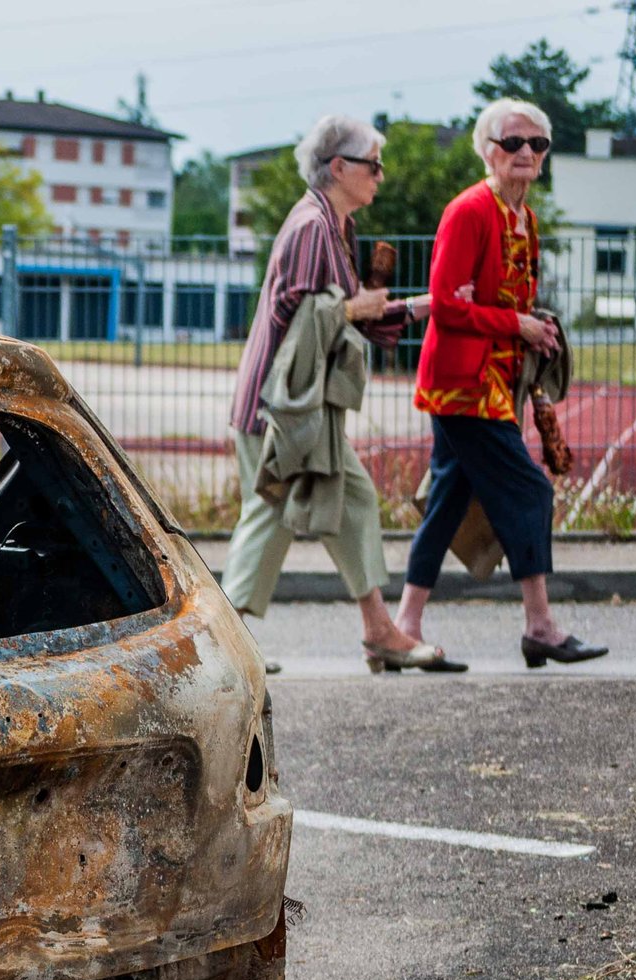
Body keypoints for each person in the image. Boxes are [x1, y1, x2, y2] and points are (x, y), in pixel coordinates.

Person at [221, 114, 453, 672]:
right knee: (275, 512)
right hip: (280, 410)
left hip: (298, 412)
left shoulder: (334, 226)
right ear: (339, 167)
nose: (381, 174)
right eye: (373, 163)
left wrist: (421, 305)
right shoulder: (311, 227)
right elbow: (300, 313)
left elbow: (345, 314)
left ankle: (378, 631)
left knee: (348, 502)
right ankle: (223, 647)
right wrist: (356, 307)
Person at [397, 98, 606, 667]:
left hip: (497, 379)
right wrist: (516, 323)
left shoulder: (526, 217)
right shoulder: (468, 211)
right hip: (464, 386)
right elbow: (446, 304)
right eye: (514, 143)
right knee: (530, 491)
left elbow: (496, 299)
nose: (527, 153)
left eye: (537, 144)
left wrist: (530, 329)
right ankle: (540, 624)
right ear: (488, 151)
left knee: (447, 502)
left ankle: (403, 626)